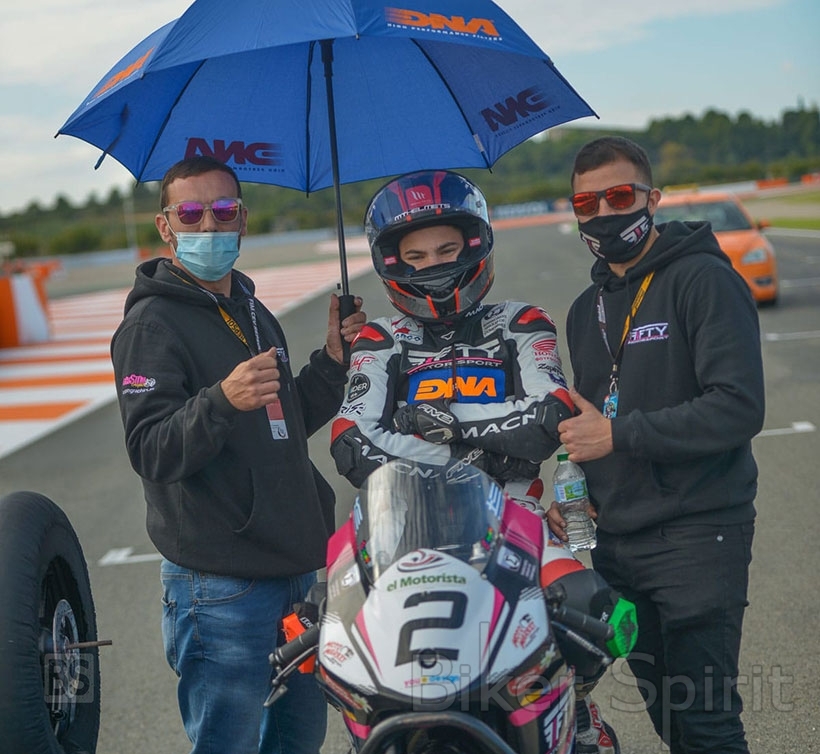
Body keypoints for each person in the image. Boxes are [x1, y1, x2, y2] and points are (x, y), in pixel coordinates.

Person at [330, 169, 621, 754]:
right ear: (391, 263)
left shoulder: (522, 322)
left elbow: (548, 417)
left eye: (446, 250)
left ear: (475, 245)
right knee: (332, 641)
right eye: (415, 255)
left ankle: (575, 706)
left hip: (514, 518)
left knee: (600, 613)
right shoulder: (378, 339)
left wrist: (436, 424)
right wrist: (479, 449)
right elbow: (352, 441)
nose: (433, 265)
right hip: (398, 527)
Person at [110, 155, 366, 754]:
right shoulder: (151, 325)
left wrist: (332, 362)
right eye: (191, 213)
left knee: (299, 739)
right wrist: (221, 400)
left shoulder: (251, 310)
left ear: (243, 220)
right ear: (165, 226)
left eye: (223, 210)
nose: (209, 225)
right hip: (221, 584)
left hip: (295, 568)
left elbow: (282, 423)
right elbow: (150, 449)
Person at [549, 136, 764, 754]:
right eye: (586, 203)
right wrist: (578, 494)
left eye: (619, 197)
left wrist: (617, 435)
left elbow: (738, 407)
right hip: (619, 544)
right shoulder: (585, 308)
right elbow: (598, 416)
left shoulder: (704, 279)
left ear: (652, 199)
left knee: (707, 724)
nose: (603, 212)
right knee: (671, 722)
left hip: (698, 535)